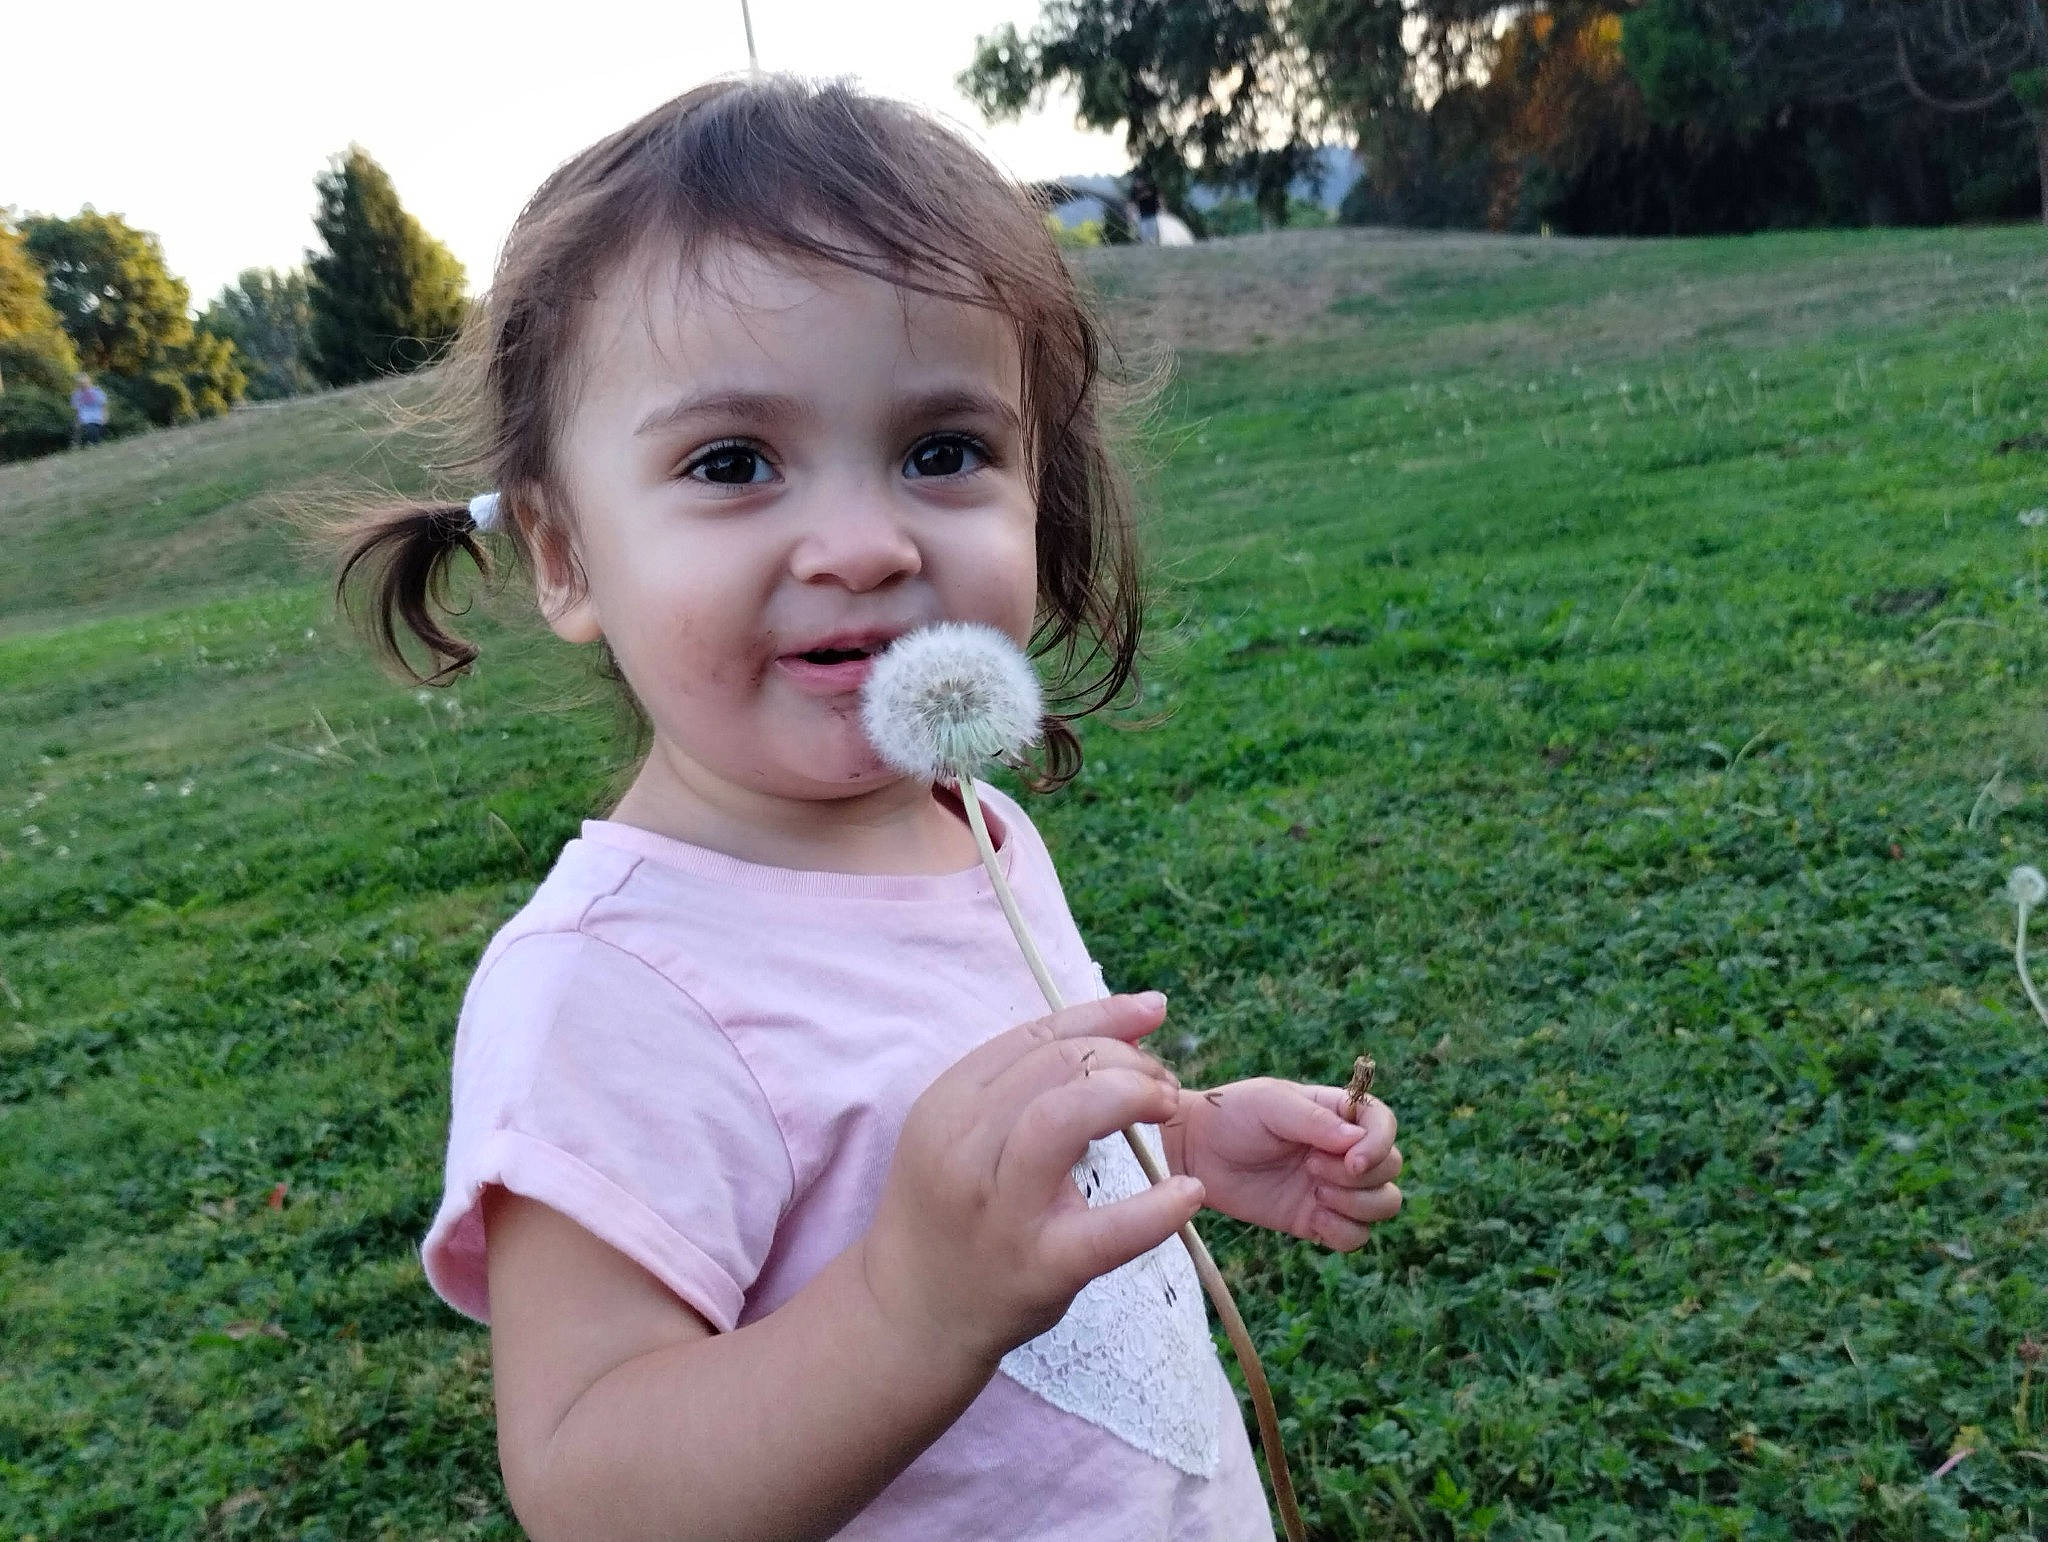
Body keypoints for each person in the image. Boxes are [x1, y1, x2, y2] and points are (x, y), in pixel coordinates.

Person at [336, 78, 1402, 1542]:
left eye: (943, 448)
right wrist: (912, 1307)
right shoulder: (606, 992)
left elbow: (1005, 1149)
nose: (861, 542)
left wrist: (1193, 1142)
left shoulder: (972, 825)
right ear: (565, 551)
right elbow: (591, 1485)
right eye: (733, 463)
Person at [70, 372, 107, 447]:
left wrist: (104, 415)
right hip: (85, 417)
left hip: (97, 415)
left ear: (89, 382)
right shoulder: (76, 395)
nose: (83, 385)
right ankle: (92, 444)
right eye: (81, 383)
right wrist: (77, 420)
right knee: (90, 430)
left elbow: (103, 404)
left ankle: (95, 444)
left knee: (96, 432)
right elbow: (77, 408)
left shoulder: (97, 391)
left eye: (84, 383)